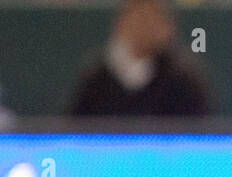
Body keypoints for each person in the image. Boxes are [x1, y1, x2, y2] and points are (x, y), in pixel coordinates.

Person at [68, 0, 210, 118]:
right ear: (120, 24)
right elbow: (75, 125)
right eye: (136, 17)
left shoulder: (184, 80)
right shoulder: (98, 78)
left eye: (152, 18)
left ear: (167, 27)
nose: (143, 26)